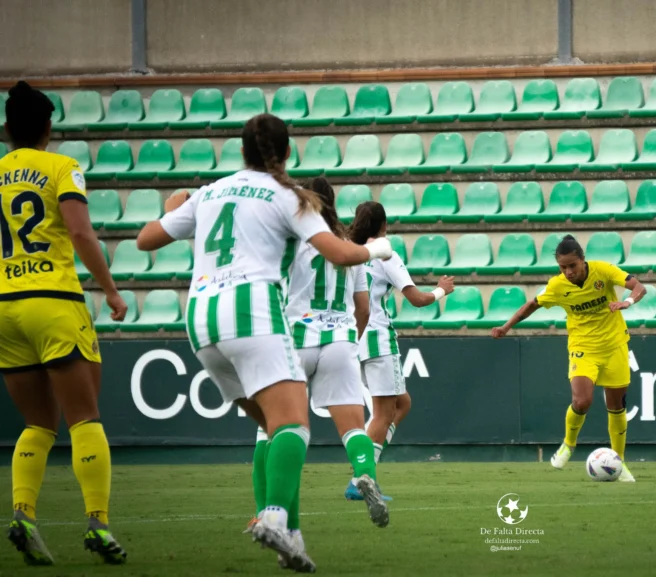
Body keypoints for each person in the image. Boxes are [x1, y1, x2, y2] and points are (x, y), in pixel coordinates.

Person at [136, 113, 392, 571]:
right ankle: (274, 515)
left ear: (240, 152)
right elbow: (340, 252)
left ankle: (290, 536)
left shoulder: (211, 191)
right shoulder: (290, 196)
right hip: (253, 314)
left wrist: (175, 204)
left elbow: (145, 239)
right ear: (287, 153)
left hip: (201, 321)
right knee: (294, 426)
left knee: (274, 429)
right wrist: (377, 250)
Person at [1, 81, 128, 566]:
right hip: (52, 300)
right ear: (48, 129)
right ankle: (97, 523)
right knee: (84, 418)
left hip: (4, 305)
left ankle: (23, 514)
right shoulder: (62, 168)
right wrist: (111, 290)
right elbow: (78, 230)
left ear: (7, 129)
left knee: (36, 423)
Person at [242, 178, 387, 542]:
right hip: (339, 340)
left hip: (295, 339)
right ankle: (364, 473)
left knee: (269, 430)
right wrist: (347, 337)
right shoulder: (348, 247)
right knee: (354, 427)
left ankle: (265, 514)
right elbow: (363, 308)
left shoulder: (293, 243)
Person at [491, 235, 645, 482]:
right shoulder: (557, 285)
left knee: (616, 407)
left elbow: (639, 287)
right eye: (563, 267)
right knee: (582, 401)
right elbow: (532, 305)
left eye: (572, 265)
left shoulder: (603, 271)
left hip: (615, 344)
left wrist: (626, 302)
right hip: (583, 347)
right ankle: (568, 445)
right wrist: (506, 327)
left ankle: (619, 461)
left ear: (583, 260)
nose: (568, 271)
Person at [349, 201, 453, 490]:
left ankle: (367, 465)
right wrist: (441, 290)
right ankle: (361, 477)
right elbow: (417, 299)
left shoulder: (349, 251)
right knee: (383, 413)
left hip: (352, 338)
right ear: (383, 226)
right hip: (377, 339)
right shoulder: (385, 254)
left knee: (402, 403)